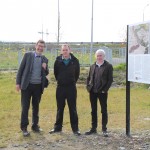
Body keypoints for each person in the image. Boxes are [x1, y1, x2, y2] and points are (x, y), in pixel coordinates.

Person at [16, 39, 49, 136]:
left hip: (38, 87)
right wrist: (18, 83)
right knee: (25, 107)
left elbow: (46, 73)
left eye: (42, 46)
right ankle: (24, 128)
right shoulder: (28, 55)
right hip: (27, 86)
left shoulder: (45, 59)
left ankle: (35, 126)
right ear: (36, 46)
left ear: (44, 48)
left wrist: (45, 68)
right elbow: (20, 69)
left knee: (36, 107)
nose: (40, 48)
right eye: (39, 46)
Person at [49, 44, 81, 135]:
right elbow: (56, 73)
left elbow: (77, 74)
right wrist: (61, 80)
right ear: (61, 51)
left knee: (73, 108)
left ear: (70, 50)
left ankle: (75, 129)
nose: (65, 52)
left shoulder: (75, 61)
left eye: (66, 50)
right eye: (63, 50)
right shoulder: (57, 61)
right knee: (60, 108)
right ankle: (57, 128)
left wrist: (71, 82)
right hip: (60, 88)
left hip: (71, 88)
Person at [85, 49, 113, 137]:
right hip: (93, 92)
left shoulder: (108, 66)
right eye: (97, 55)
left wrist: (105, 90)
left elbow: (110, 80)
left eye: (100, 55)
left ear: (104, 56)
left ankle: (104, 129)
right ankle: (93, 128)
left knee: (103, 110)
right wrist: (88, 87)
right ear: (95, 56)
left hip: (102, 92)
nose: (99, 57)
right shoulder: (93, 66)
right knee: (93, 110)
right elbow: (89, 77)